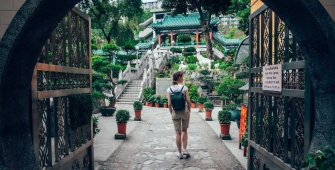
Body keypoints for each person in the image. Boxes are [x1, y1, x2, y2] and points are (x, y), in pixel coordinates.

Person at [167, 71, 191, 159]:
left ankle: (180, 153)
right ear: (180, 78)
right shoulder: (184, 88)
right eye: (183, 76)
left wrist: (171, 112)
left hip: (175, 112)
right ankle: (184, 149)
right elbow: (188, 101)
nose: (183, 78)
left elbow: (169, 104)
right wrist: (189, 110)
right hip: (185, 111)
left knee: (178, 133)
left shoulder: (169, 89)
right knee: (184, 130)